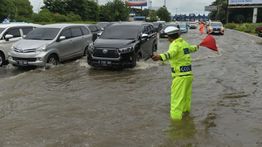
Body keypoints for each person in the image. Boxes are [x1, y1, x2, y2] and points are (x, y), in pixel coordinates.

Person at [152, 26, 199, 120]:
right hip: (189, 76)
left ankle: (176, 125)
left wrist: (159, 57)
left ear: (169, 37)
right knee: (186, 99)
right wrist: (196, 47)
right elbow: (191, 48)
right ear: (178, 34)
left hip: (179, 77)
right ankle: (186, 117)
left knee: (176, 102)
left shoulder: (174, 44)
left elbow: (171, 53)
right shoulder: (184, 43)